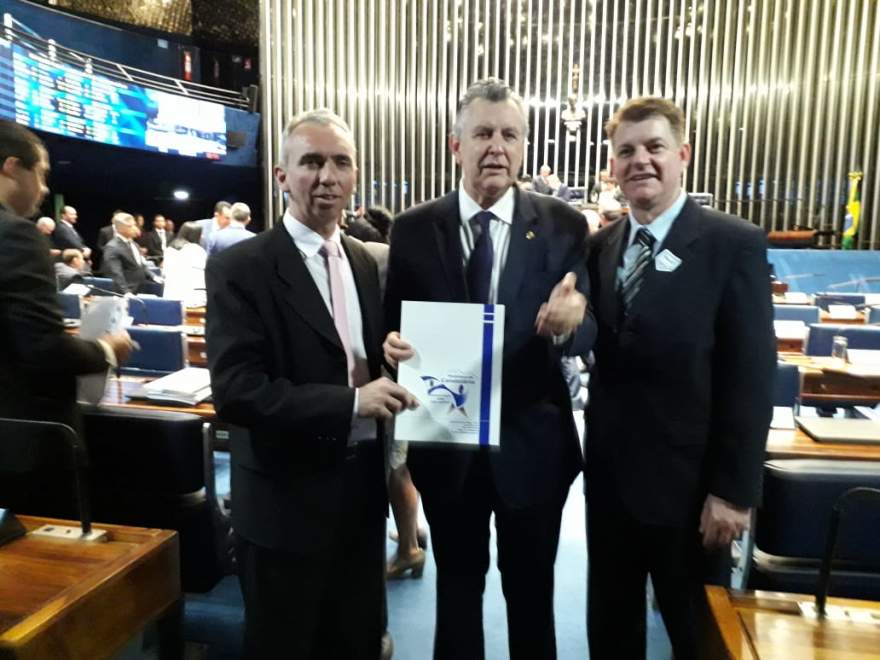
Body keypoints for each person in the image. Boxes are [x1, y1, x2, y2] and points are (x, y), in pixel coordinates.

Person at [383, 78, 596, 660]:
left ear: (524, 146)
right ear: (456, 145)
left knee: (532, 597)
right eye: (482, 133)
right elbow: (389, 324)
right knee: (456, 593)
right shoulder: (413, 228)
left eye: (509, 134)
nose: (496, 146)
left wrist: (574, 320)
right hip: (446, 446)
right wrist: (393, 345)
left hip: (534, 447)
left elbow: (592, 324)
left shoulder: (563, 225)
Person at [206, 108, 417, 659]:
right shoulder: (242, 267)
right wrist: (352, 401)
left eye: (341, 163)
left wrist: (390, 360)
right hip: (284, 504)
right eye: (312, 162)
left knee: (356, 644)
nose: (328, 176)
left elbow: (360, 362)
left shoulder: (363, 262)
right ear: (282, 176)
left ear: (355, 176)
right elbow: (237, 392)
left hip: (360, 498)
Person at [584, 96, 775, 660]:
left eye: (654, 147)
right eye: (626, 151)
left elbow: (751, 375)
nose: (640, 160)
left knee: (695, 637)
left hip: (693, 495)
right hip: (611, 486)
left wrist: (733, 492)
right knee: (611, 631)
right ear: (612, 166)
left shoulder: (732, 243)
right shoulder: (599, 248)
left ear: (683, 154)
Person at [0, 120, 132, 512]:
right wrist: (106, 349)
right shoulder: (16, 236)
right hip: (23, 445)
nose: (43, 189)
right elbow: (43, 350)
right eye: (40, 174)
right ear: (11, 167)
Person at [101, 212, 162, 294]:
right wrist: (126, 292)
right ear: (121, 228)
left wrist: (154, 276)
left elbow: (141, 265)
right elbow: (116, 274)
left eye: (135, 225)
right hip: (127, 293)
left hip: (140, 289)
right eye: (131, 226)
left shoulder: (134, 244)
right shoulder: (112, 247)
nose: (135, 228)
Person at [162, 221, 207, 307]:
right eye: (200, 234)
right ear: (194, 235)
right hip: (192, 300)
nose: (202, 236)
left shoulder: (169, 249)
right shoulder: (197, 250)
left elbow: (164, 273)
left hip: (170, 298)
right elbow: (202, 277)